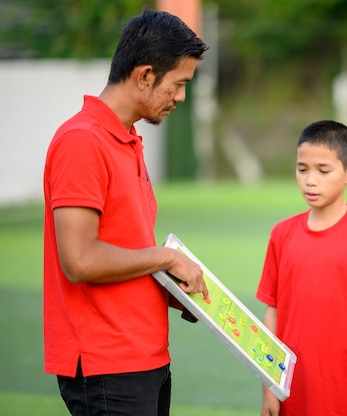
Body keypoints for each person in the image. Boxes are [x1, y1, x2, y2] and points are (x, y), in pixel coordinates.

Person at [43, 8, 209, 416]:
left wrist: (172, 288)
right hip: (107, 365)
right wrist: (168, 257)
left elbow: (126, 251)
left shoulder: (128, 139)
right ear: (145, 75)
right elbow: (80, 260)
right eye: (179, 84)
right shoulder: (82, 141)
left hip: (146, 357)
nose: (182, 97)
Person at [256, 120, 347, 416]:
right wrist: (270, 388)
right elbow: (271, 314)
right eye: (302, 169)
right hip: (293, 391)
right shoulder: (281, 235)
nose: (310, 180)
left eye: (323, 171)